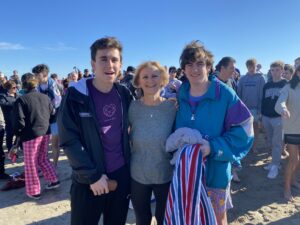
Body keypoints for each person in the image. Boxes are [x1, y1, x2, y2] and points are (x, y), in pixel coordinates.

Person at [175, 41, 254, 225]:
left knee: (217, 218)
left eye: (200, 64)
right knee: (192, 216)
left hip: (215, 171)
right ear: (184, 69)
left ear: (209, 67)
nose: (195, 69)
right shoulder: (181, 95)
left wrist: (213, 147)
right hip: (186, 171)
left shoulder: (224, 94)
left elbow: (245, 128)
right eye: (189, 64)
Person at [58, 37, 133, 225]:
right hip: (89, 180)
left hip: (120, 175)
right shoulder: (76, 95)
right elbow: (69, 140)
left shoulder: (123, 94)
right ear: (93, 64)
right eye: (103, 59)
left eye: (114, 60)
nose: (110, 65)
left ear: (121, 64)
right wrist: (92, 176)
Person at [129, 61, 176, 225]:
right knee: (142, 220)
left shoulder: (172, 107)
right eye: (145, 77)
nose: (150, 80)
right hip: (138, 174)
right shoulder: (132, 107)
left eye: (155, 76)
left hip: (165, 174)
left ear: (163, 79)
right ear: (139, 81)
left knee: (165, 219)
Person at [13, 73, 59, 199]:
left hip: (31, 135)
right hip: (45, 132)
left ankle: (34, 191)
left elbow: (19, 122)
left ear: (23, 84)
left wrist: (17, 135)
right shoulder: (45, 97)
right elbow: (53, 114)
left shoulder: (21, 100)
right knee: (43, 158)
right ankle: (54, 180)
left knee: (31, 163)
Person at [275, 65, 300, 202]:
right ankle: (286, 188)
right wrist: (283, 109)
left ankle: (294, 180)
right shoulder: (288, 87)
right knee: (293, 159)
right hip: (293, 129)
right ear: (297, 73)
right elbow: (280, 102)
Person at [32, 64, 62, 168]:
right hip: (43, 116)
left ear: (44, 74)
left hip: (55, 116)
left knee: (54, 143)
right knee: (42, 143)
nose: (35, 76)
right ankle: (43, 164)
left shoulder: (54, 85)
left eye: (37, 74)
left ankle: (54, 166)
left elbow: (57, 103)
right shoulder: (37, 86)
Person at [261, 61, 287, 179]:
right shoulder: (267, 85)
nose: (274, 72)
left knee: (277, 143)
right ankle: (273, 162)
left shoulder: (286, 84)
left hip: (278, 117)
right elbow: (263, 101)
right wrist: (262, 115)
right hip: (266, 116)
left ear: (282, 70)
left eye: (277, 70)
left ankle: (276, 165)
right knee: (270, 141)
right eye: (272, 70)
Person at [238, 58, 265, 153]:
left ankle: (254, 146)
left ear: (256, 66)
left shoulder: (261, 78)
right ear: (247, 67)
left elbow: (262, 94)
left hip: (256, 108)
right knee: (245, 129)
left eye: (253, 66)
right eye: (249, 66)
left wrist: (260, 110)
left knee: (255, 128)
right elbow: (239, 94)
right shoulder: (242, 79)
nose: (251, 68)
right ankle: (246, 147)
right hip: (244, 108)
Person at [0, 80, 19, 153]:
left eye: (16, 87)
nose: (15, 89)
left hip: (18, 118)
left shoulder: (18, 95)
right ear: (8, 88)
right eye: (14, 88)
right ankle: (10, 150)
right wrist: (16, 103)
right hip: (9, 119)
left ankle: (15, 148)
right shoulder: (2, 96)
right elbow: (3, 104)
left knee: (18, 135)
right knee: (9, 136)